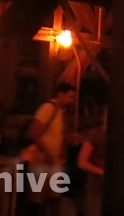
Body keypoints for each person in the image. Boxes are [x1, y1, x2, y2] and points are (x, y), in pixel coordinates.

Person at [25, 82, 77, 215]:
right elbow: (34, 132)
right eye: (70, 97)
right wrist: (47, 152)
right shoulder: (48, 109)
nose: (72, 101)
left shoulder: (59, 112)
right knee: (39, 197)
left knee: (52, 196)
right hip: (43, 160)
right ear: (60, 94)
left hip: (53, 161)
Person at [76, 108, 106, 216]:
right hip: (96, 187)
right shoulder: (96, 134)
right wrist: (101, 172)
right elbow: (82, 162)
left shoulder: (122, 136)